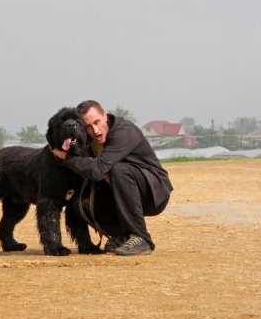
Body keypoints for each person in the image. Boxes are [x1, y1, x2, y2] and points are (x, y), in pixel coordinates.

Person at [51, 100, 173, 256]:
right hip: (122, 194)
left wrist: (67, 158)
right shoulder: (89, 139)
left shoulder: (125, 131)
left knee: (118, 169)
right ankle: (123, 236)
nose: (94, 130)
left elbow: (98, 170)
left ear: (104, 115)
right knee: (80, 204)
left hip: (152, 193)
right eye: (88, 126)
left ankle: (141, 238)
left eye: (97, 122)